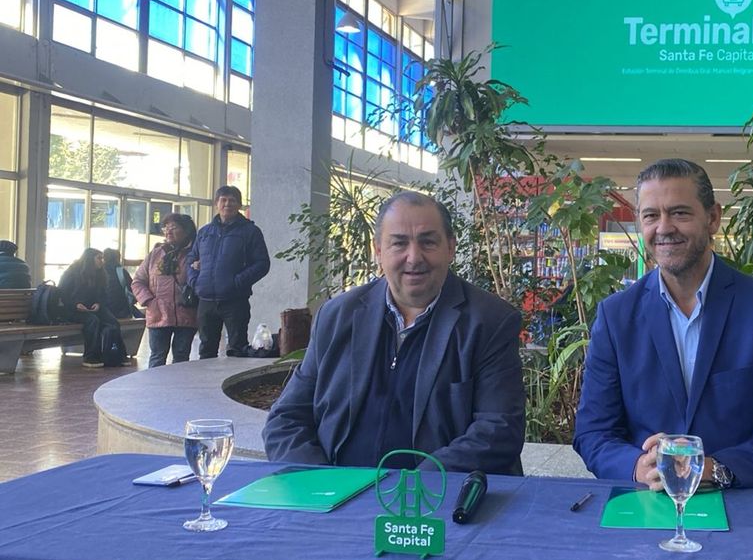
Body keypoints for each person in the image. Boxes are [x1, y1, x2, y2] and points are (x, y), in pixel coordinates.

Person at [573, 159, 753, 490]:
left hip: (742, 509)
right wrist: (636, 467)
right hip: (645, 509)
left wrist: (713, 468)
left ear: (713, 218)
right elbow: (593, 433)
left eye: (679, 213)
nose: (664, 228)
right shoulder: (616, 316)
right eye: (651, 215)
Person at [263, 191, 525, 474]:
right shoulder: (337, 316)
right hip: (336, 497)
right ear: (378, 250)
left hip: (435, 500)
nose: (414, 257)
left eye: (428, 242)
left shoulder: (489, 321)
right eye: (399, 243)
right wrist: (323, 484)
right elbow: (285, 420)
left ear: (450, 248)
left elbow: (498, 430)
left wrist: (408, 492)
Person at [187, 185, 270, 359]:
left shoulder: (250, 232)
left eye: (232, 200)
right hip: (206, 300)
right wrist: (196, 282)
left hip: (235, 300)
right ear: (216, 204)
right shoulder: (204, 232)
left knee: (237, 349)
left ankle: (233, 385)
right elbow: (190, 261)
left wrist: (237, 282)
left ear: (239, 205)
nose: (227, 204)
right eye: (223, 200)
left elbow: (262, 264)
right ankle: (205, 385)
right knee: (206, 349)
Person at [132, 214, 199, 367]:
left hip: (186, 314)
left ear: (186, 231)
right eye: (166, 228)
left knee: (181, 358)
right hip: (158, 314)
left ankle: (176, 388)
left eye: (173, 228)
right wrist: (149, 301)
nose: (168, 232)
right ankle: (155, 390)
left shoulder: (195, 254)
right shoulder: (156, 254)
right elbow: (138, 281)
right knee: (157, 357)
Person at [59, 248, 123, 368]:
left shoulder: (100, 274)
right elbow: (63, 293)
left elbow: (104, 294)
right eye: (99, 258)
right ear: (90, 259)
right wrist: (75, 304)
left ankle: (117, 354)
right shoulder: (72, 272)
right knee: (93, 321)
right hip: (72, 310)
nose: (102, 261)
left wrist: (98, 303)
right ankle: (91, 356)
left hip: (93, 308)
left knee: (113, 321)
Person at [102, 249, 138, 318]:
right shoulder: (121, 271)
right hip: (121, 309)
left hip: (103, 309)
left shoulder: (99, 271)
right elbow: (132, 288)